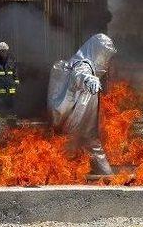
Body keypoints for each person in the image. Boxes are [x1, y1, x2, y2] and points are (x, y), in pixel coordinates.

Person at [47, 34, 117, 176]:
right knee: (72, 155)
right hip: (78, 124)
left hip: (81, 125)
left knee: (73, 157)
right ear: (97, 51)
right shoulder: (83, 65)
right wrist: (89, 80)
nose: (106, 61)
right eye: (105, 55)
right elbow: (79, 75)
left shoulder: (82, 63)